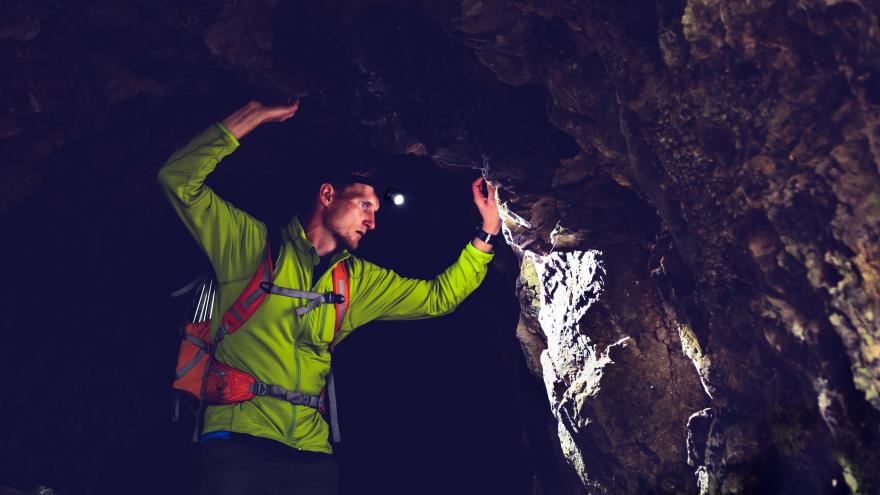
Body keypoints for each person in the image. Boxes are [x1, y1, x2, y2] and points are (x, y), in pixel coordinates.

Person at [157, 99, 501, 495]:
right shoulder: (250, 247)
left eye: (376, 211)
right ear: (327, 195)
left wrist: (487, 232)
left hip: (312, 458)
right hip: (237, 447)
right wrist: (254, 114)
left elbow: (439, 296)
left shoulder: (356, 282)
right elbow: (177, 179)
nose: (372, 221)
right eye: (364, 206)